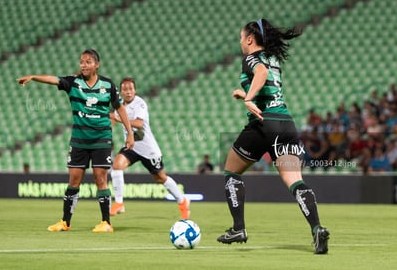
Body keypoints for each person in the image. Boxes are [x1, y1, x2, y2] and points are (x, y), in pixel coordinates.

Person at [216, 18, 329, 254]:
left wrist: (248, 99)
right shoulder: (274, 58)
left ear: (249, 39)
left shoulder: (251, 58)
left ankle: (239, 228)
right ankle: (317, 228)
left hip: (263, 125)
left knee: (231, 171)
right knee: (295, 181)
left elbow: (260, 73)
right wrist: (245, 94)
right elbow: (267, 83)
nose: (240, 42)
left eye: (240, 37)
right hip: (286, 125)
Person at [16, 49, 134, 233]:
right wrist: (33, 77)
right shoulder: (73, 82)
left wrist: (130, 133)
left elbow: (120, 109)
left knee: (100, 178)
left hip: (101, 139)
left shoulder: (107, 85)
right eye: (81, 62)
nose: (83, 65)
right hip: (79, 140)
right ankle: (65, 222)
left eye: (88, 62)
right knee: (74, 180)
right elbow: (53, 79)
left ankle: (106, 223)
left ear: (97, 64)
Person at [109, 77, 190, 219]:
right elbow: (112, 120)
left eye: (131, 89)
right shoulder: (120, 106)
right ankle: (119, 203)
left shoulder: (140, 103)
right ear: (121, 92)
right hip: (132, 146)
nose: (128, 92)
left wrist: (118, 118)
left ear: (135, 90)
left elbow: (139, 124)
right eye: (125, 89)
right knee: (116, 166)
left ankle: (182, 201)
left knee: (160, 178)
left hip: (148, 149)